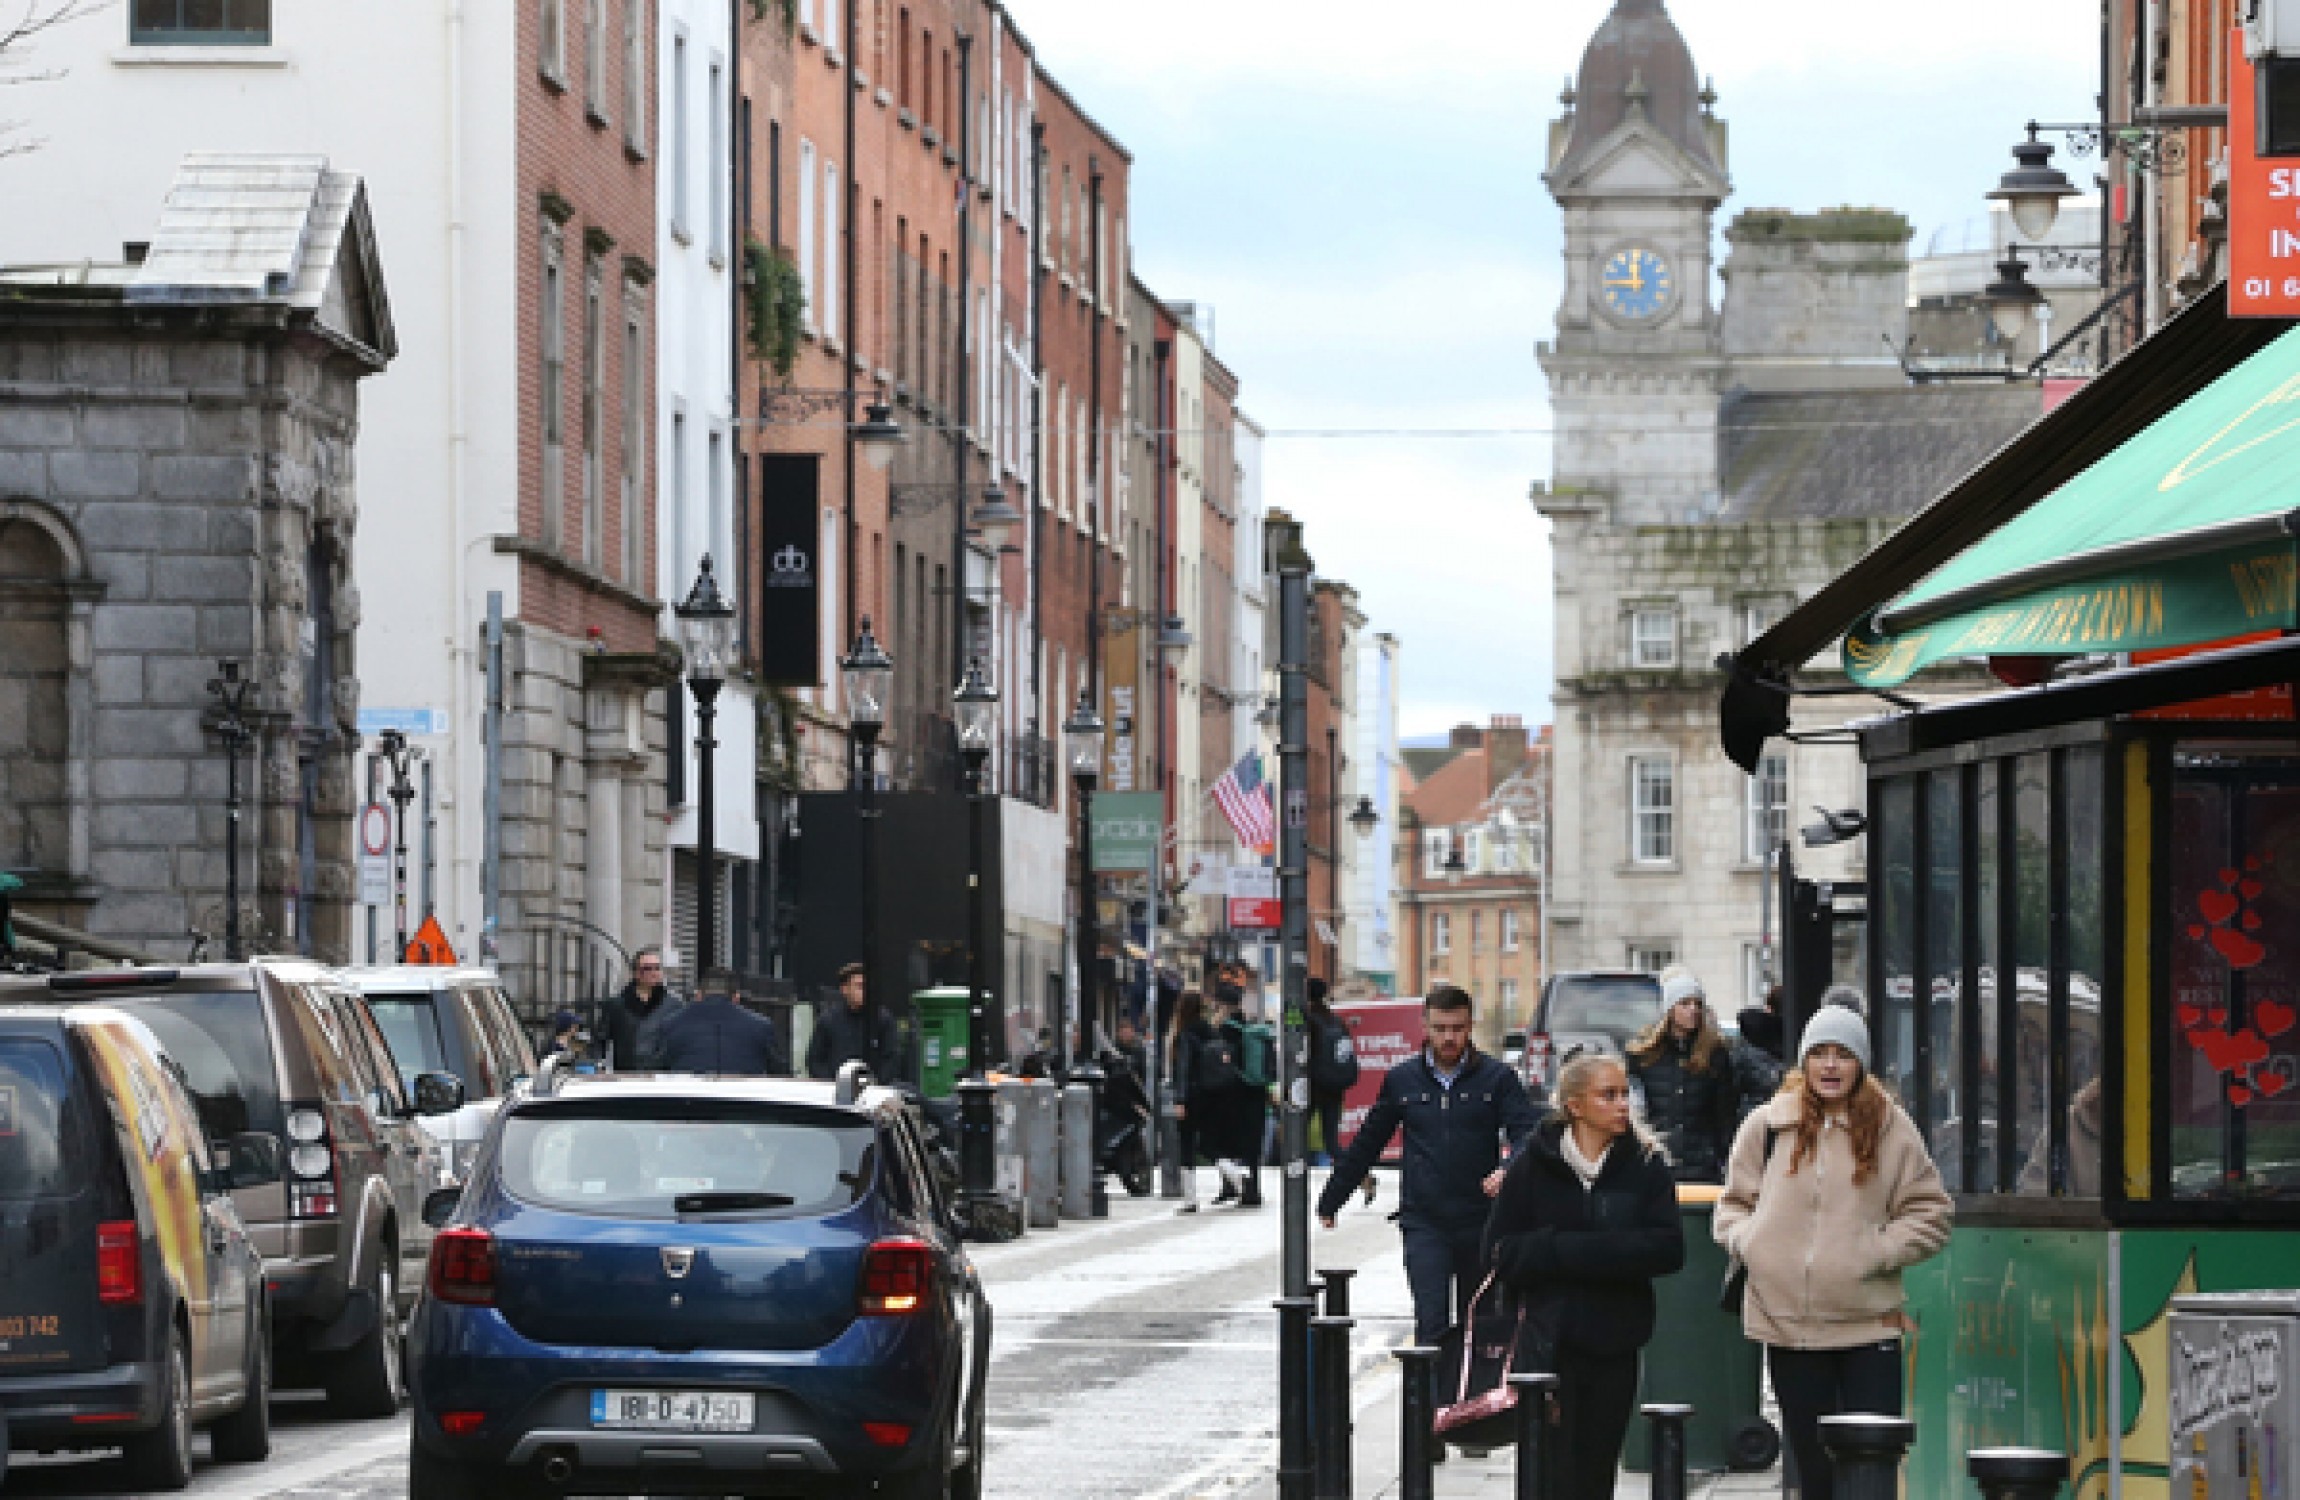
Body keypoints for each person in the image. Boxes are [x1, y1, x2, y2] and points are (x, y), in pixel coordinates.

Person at [1714, 1004, 1954, 1500]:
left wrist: (1873, 1252)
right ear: (1802, 1061)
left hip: (1868, 1326)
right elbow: (1731, 1208)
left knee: (1870, 1473)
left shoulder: (1892, 1128)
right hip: (1788, 1328)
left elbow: (1931, 1214)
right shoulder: (1766, 1126)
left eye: (1842, 1055)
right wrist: (1753, 1243)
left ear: (1860, 1063)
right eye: (1819, 1054)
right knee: (1815, 1474)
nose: (1829, 1066)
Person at [1484, 1051, 1684, 1497]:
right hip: (1546, 1343)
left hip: (1615, 1342)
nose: (1621, 1105)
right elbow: (1499, 1251)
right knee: (1548, 1470)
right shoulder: (1533, 1165)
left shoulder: (1645, 1163)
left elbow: (1668, 1248)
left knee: (1596, 1471)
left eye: (1624, 1093)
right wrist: (1570, 1250)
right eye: (1607, 1095)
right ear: (1575, 1105)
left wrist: (1568, 1250)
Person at [1318, 984, 1541, 1345]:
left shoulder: (1496, 1079)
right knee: (1431, 1323)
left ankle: (1472, 1401)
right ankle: (1432, 1401)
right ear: (1425, 1026)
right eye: (1440, 1029)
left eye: (1457, 1029)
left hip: (1480, 1221)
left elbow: (1527, 1133)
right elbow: (1368, 1141)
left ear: (1470, 1027)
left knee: (1479, 1325)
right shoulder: (1403, 1080)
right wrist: (1333, 1198)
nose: (1449, 1038)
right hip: (1425, 1221)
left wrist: (1507, 1169)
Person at [1624, 969, 1739, 1182]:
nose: (1693, 1010)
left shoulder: (1714, 1054)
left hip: (1703, 1165)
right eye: (1685, 1003)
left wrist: (1727, 1160)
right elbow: (1634, 1113)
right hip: (1657, 1161)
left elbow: (1725, 1115)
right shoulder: (1643, 1055)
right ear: (1669, 1009)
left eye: (1697, 1004)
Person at [655, 973, 785, 1075]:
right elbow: (780, 1072)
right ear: (736, 997)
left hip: (688, 1103)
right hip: (744, 1103)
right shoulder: (761, 1026)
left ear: (699, 995)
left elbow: (657, 1070)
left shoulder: (671, 1024)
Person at [806, 962, 903, 1081]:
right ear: (844, 989)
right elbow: (815, 1060)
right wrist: (831, 1084)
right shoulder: (828, 1020)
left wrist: (877, 1083)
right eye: (859, 986)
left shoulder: (882, 1019)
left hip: (874, 1090)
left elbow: (892, 1058)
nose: (865, 992)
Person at [1167, 990, 1214, 1213]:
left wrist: (1180, 1099)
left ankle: (1190, 1198)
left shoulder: (1185, 1034)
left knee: (1186, 1143)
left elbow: (1183, 1068)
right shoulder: (1209, 1031)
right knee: (1209, 1141)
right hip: (1210, 1093)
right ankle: (1236, 1175)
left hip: (1191, 1096)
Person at [1306, 979, 1360, 1167]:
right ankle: (1361, 1176)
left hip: (1313, 1086)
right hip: (1335, 1087)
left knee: (1296, 1137)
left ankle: (1296, 1180)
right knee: (1332, 1143)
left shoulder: (1308, 1020)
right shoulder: (1336, 1020)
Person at [605, 946, 686, 1070]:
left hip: (662, 1076)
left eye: (657, 968)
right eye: (648, 968)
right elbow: (601, 1040)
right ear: (636, 973)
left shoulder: (674, 1005)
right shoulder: (617, 1004)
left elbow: (680, 1042)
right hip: (625, 1075)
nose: (654, 972)